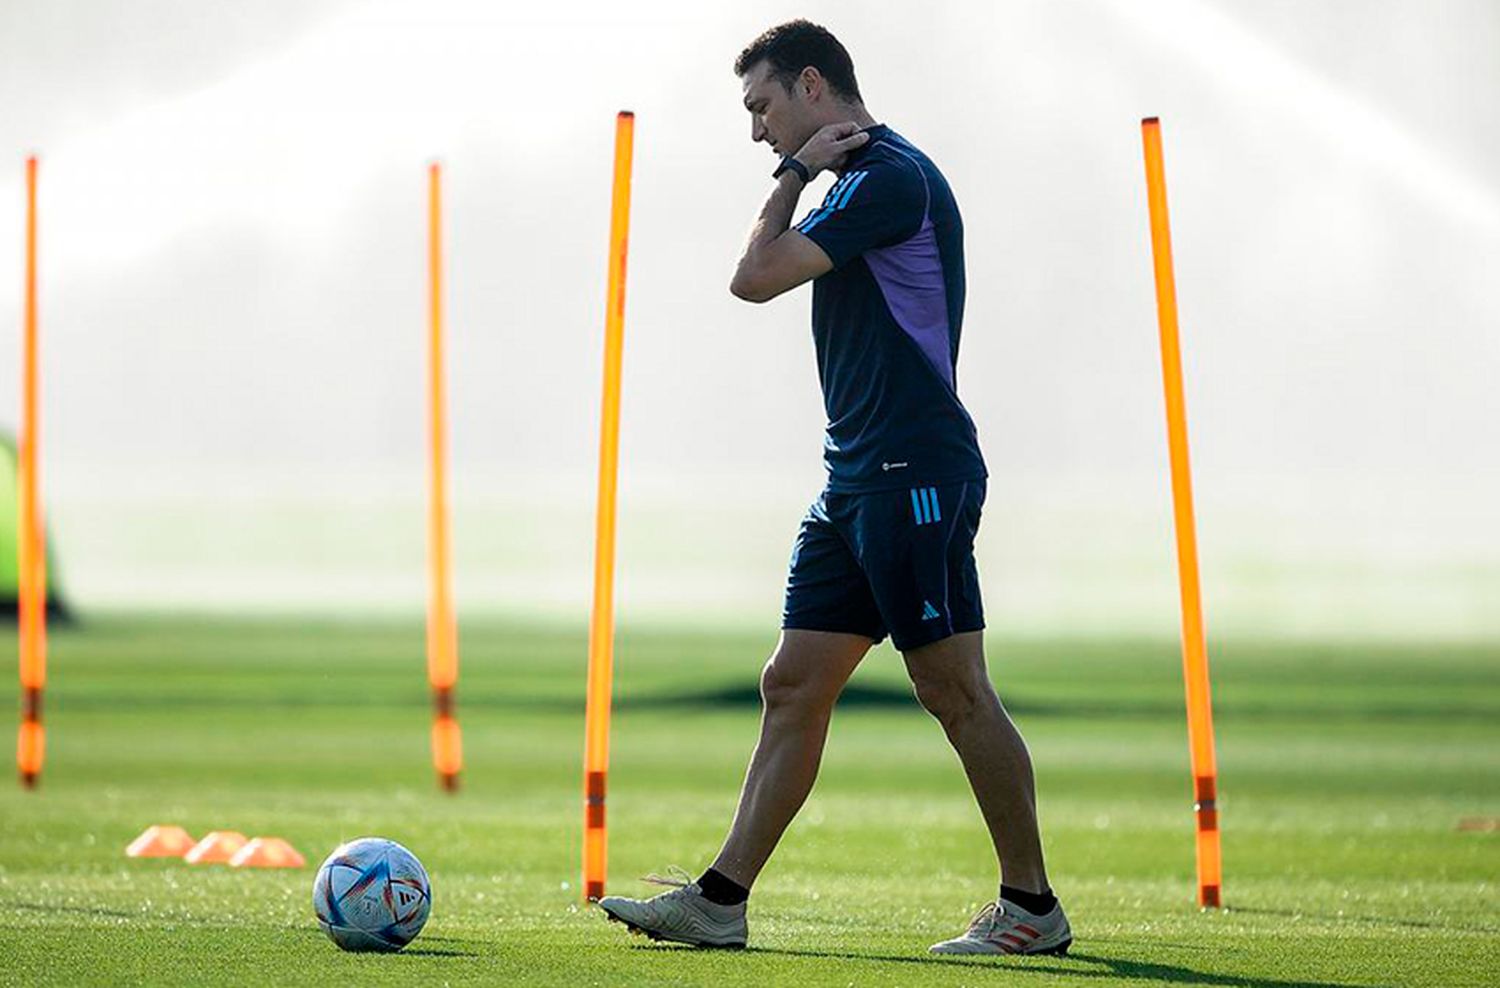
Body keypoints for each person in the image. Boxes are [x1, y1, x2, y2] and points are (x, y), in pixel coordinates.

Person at [599, 19, 1070, 957]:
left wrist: (793, 174)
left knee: (953, 689)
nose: (757, 129)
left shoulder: (887, 177)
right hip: (857, 478)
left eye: (762, 106)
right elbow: (756, 277)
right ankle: (719, 902)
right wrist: (804, 172)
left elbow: (754, 276)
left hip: (913, 472)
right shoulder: (852, 178)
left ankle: (1031, 909)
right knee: (792, 683)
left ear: (813, 86)